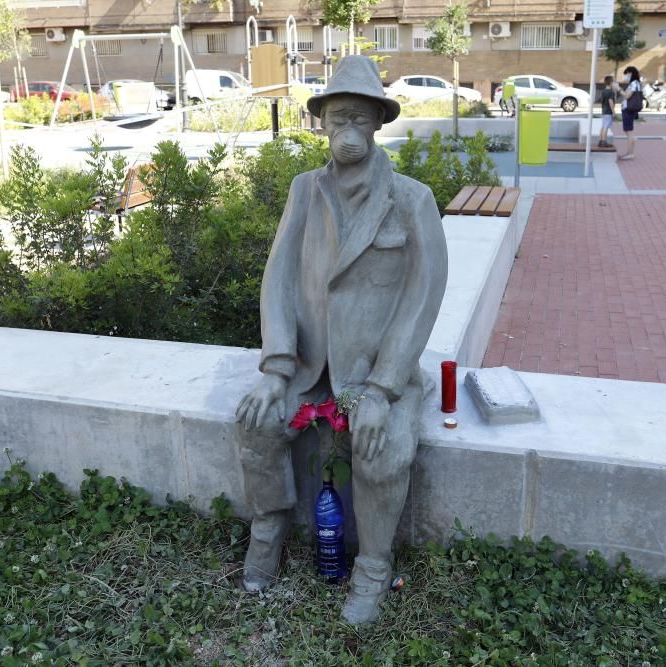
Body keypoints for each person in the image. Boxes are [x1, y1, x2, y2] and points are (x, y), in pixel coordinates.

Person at [234, 55, 448, 626]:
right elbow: (277, 277)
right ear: (322, 123)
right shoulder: (305, 191)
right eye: (337, 118)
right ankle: (268, 531)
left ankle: (373, 568)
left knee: (381, 453)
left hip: (378, 372)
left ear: (378, 122)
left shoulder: (411, 199)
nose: (347, 130)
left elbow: (422, 296)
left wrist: (381, 388)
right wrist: (277, 367)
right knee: (256, 421)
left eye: (359, 117)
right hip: (307, 367)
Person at [612, 65, 641, 160]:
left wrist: (618, 88)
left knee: (629, 132)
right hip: (629, 109)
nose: (625, 76)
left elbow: (627, 96)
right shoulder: (635, 83)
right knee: (629, 131)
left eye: (626, 74)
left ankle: (630, 153)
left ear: (630, 73)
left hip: (628, 110)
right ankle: (630, 152)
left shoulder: (634, 84)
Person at [598, 75, 615, 148]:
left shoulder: (603, 91)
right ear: (610, 82)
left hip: (604, 111)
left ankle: (601, 140)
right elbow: (610, 101)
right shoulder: (610, 92)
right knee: (606, 127)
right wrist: (613, 111)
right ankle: (604, 142)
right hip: (608, 112)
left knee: (603, 126)